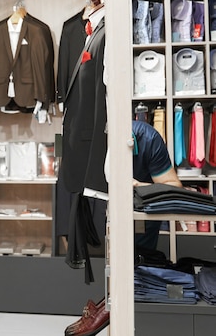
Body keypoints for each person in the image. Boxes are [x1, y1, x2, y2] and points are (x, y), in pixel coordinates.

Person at [64, 120, 182, 336]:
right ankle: (108, 316)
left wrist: (138, 186)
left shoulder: (147, 138)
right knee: (116, 272)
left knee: (138, 274)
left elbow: (174, 187)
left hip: (142, 214)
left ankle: (119, 322)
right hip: (108, 209)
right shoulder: (92, 139)